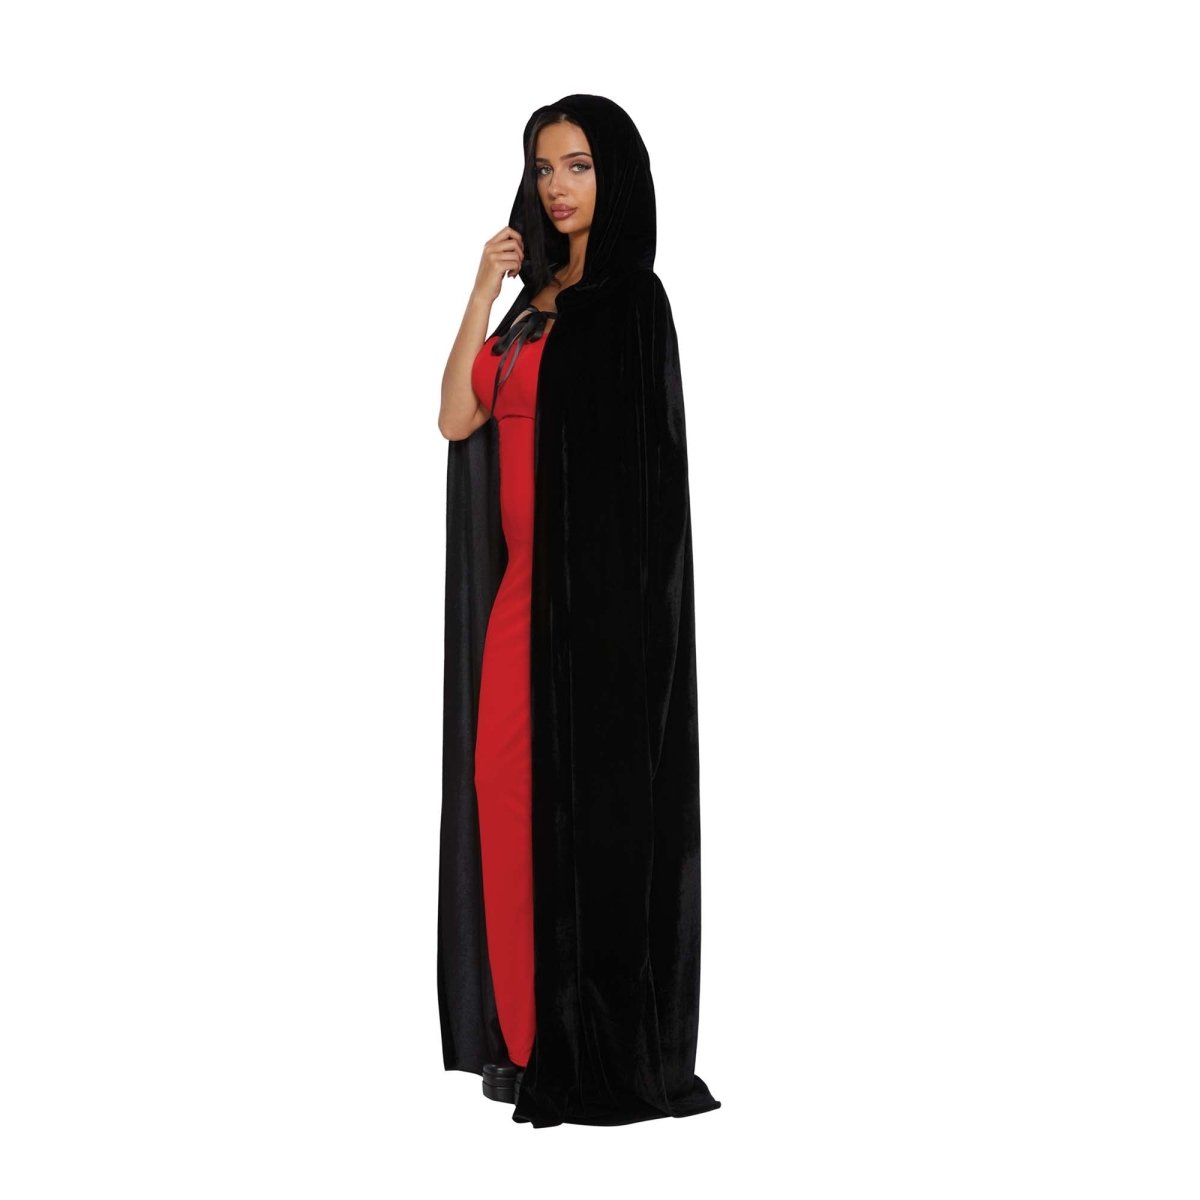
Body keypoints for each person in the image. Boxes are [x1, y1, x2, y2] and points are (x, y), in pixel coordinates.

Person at [437, 94, 720, 1128]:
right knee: (499, 795)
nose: (557, 186)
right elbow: (455, 415)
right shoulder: (529, 305)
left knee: (577, 821)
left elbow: (646, 488)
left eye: (578, 166)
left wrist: (624, 634)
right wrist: (483, 288)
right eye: (544, 167)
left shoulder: (630, 304)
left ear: (617, 177)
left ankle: (570, 1043)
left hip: (593, 613)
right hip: (518, 599)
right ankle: (521, 1040)